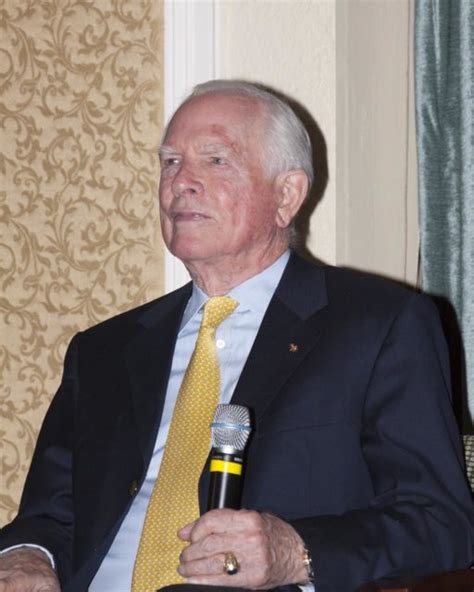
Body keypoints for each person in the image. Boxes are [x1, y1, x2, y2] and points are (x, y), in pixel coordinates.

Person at [0, 80, 472, 592]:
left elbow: (441, 522)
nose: (182, 182)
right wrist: (28, 556)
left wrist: (295, 551)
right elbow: (47, 516)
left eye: (216, 160)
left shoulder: (379, 325)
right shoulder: (104, 352)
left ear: (287, 194)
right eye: (171, 162)